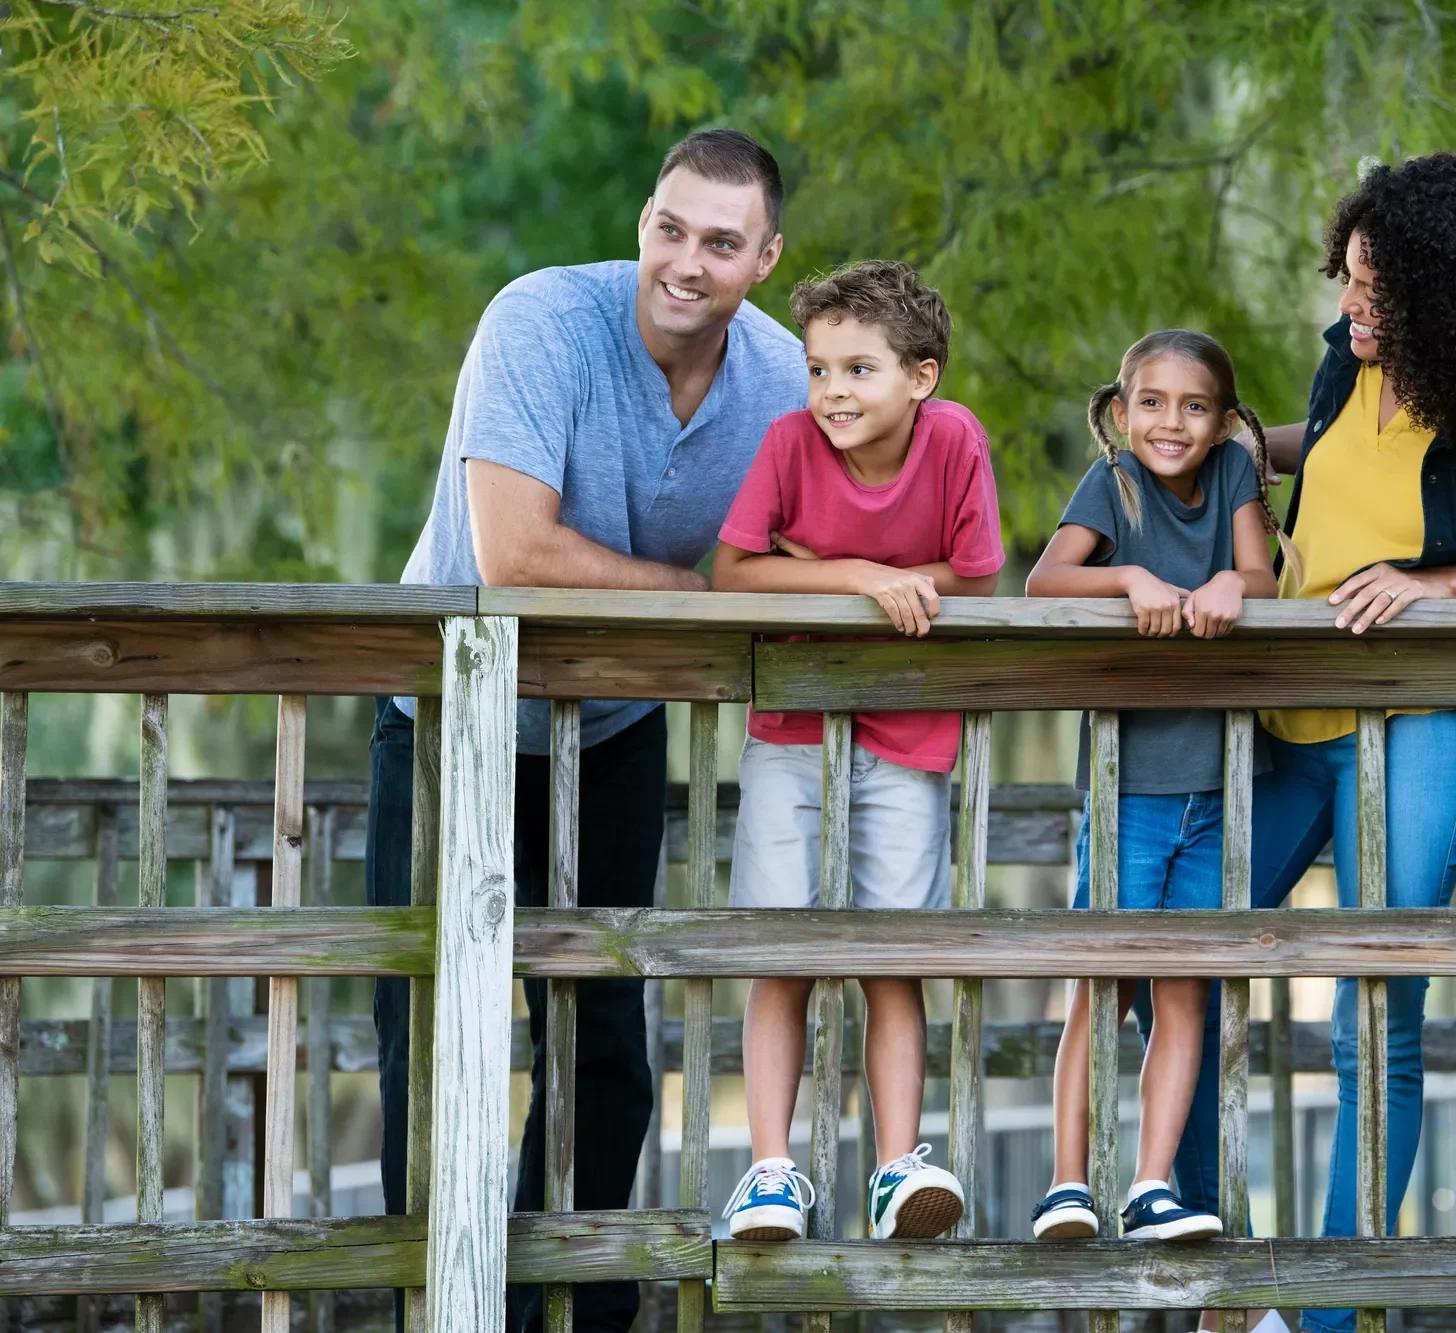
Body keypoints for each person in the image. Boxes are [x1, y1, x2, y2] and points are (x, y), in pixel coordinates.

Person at [1161, 153, 1456, 1333]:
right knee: (1167, 955)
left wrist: (1448, 585)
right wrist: (1202, 436)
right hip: (1284, 719)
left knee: (1376, 1005)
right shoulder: (1338, 363)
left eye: (1376, 290)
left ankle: (1320, 1313)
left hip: (1418, 722)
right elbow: (1319, 461)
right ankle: (1221, 1271)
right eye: (1349, 279)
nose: (1349, 305)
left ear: (1453, 299)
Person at [365, 128, 805, 1333]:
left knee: (605, 1025)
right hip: (449, 715)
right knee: (430, 1022)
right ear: (644, 220)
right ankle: (439, 1301)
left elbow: (838, 511)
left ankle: (575, 1303)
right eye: (670, 227)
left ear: (765, 257)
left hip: (610, 726)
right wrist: (698, 598)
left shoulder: (781, 377)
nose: (685, 261)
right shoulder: (539, 321)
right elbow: (514, 552)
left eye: (721, 242)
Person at [711, 259, 1004, 1242]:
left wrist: (837, 574)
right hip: (791, 727)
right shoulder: (791, 443)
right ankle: (768, 1169)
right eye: (818, 368)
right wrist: (859, 577)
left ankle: (893, 1166)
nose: (832, 391)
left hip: (908, 725)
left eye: (858, 370)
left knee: (893, 951)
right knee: (778, 945)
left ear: (920, 377)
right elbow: (732, 574)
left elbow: (972, 577)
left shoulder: (955, 438)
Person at [1022, 330, 1286, 1244]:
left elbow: (1261, 577)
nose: (1171, 422)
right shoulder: (1115, 487)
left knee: (1186, 990)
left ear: (1224, 424)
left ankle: (1149, 1187)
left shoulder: (1235, 483)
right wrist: (1127, 574)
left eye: (1195, 406)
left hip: (1216, 793)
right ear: (1122, 409)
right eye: (1152, 403)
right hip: (1130, 786)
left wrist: (1228, 583)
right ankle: (1067, 1184)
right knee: (1108, 985)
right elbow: (1043, 579)